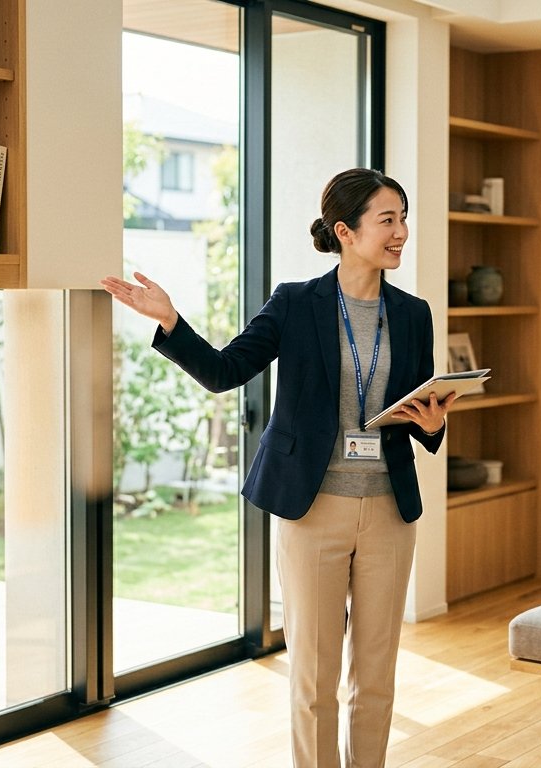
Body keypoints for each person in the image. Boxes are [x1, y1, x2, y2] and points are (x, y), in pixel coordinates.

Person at [102, 168, 454, 768]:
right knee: (313, 679)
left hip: (391, 511)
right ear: (346, 231)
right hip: (311, 508)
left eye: (403, 218)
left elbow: (425, 408)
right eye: (387, 220)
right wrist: (169, 320)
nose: (401, 232)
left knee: (376, 675)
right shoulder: (296, 302)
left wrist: (433, 423)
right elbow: (223, 371)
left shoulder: (414, 313)